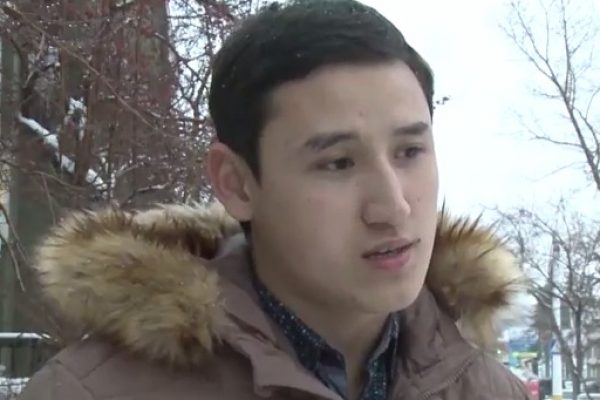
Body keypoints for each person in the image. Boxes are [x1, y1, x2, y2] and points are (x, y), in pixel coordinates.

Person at [18, 1, 532, 399]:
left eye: (410, 151)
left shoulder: (489, 391)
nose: (393, 207)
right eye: (338, 163)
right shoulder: (89, 392)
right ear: (237, 184)